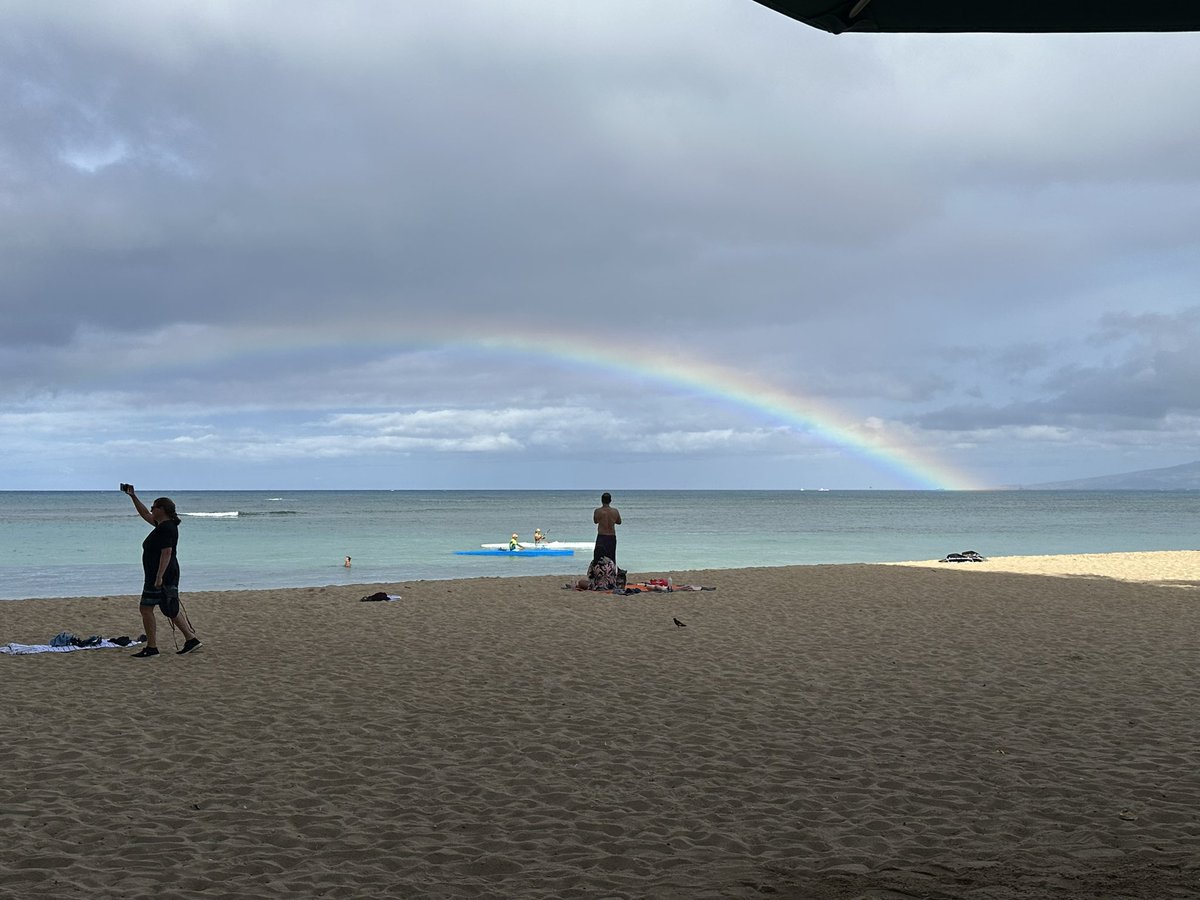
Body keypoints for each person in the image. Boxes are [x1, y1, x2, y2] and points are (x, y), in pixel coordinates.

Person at [122, 484, 201, 657]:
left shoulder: (166, 528)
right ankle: (191, 639)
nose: (151, 510)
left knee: (146, 608)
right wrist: (133, 497)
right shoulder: (164, 525)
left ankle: (152, 648)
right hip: (162, 574)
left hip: (161, 575)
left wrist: (158, 577)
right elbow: (144, 514)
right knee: (168, 606)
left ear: (162, 509)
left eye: (154, 507)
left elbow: (167, 552)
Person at [592, 492, 621, 564]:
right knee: (611, 557)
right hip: (611, 536)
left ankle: (598, 573)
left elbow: (595, 521)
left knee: (598, 557)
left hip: (601, 536)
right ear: (610, 501)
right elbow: (619, 522)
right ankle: (611, 573)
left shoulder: (597, 511)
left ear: (601, 500)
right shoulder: (615, 511)